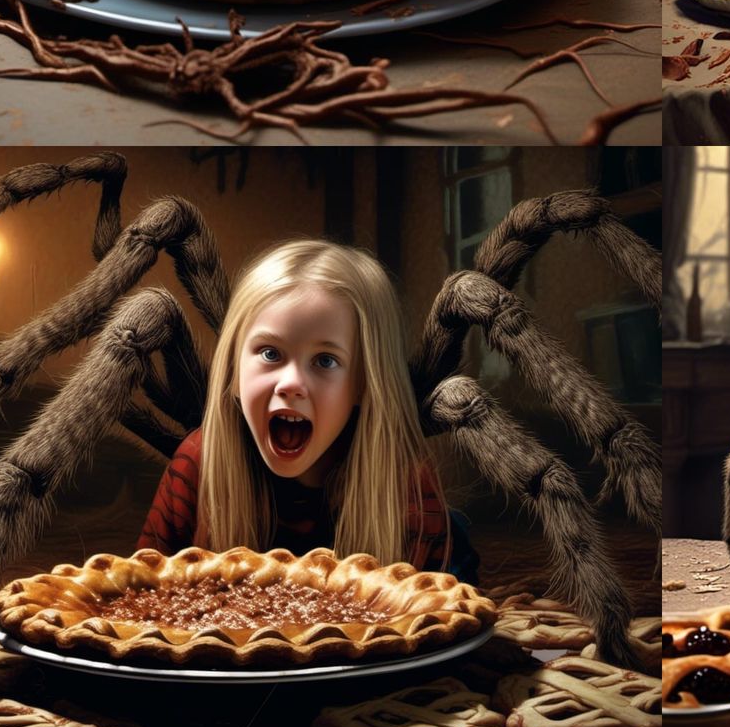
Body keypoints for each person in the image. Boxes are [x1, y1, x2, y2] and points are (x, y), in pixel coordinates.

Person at [138, 239, 479, 582]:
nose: (291, 383)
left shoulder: (407, 492)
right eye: (270, 353)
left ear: (364, 382)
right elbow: (141, 592)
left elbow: (440, 614)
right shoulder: (197, 465)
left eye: (325, 360)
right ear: (233, 369)